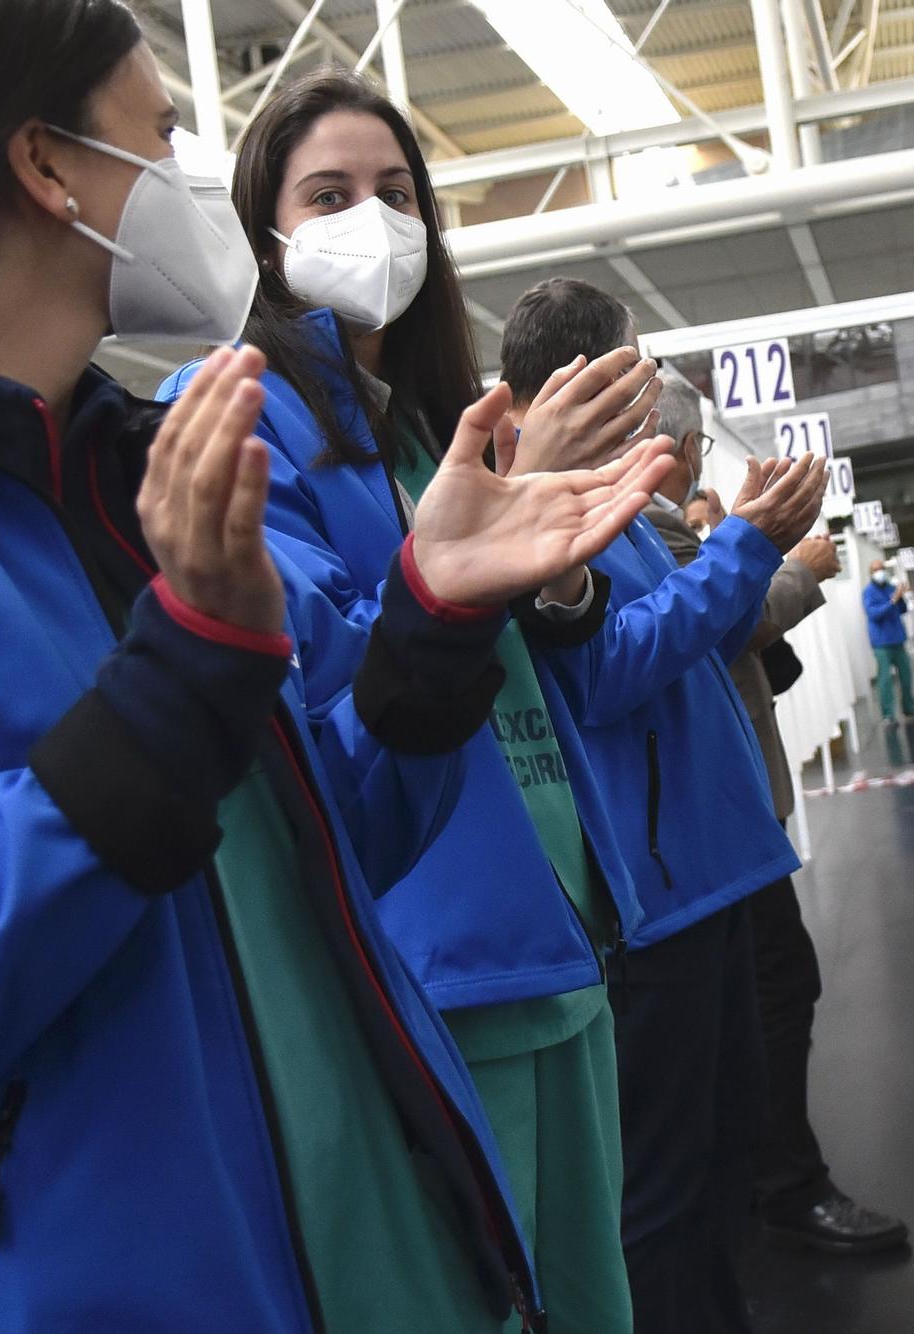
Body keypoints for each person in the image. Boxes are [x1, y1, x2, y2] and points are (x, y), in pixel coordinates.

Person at [0, 4, 676, 1327]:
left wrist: (432, 623)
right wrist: (180, 676)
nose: (184, 174)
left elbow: (349, 833)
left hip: (363, 1234)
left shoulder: (134, 470)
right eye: (158, 133)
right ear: (46, 168)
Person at [163, 70, 683, 1332]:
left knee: (593, 1289)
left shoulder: (436, 427)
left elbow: (543, 651)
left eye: (397, 193)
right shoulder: (241, 419)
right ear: (268, 234)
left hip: (558, 918)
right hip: (436, 948)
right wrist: (462, 565)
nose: (374, 222)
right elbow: (329, 682)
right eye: (329, 194)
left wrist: (550, 574)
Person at [495, 278, 828, 1334]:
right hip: (656, 892)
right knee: (668, 1189)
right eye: (634, 361)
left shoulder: (629, 509)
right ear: (591, 375)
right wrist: (746, 549)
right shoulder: (559, 512)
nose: (651, 388)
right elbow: (605, 670)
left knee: (723, 1152)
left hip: (708, 867)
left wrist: (748, 551)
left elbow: (688, 640)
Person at [643, 374, 911, 1255]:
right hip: (706, 821)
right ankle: (778, 1181)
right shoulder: (648, 526)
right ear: (685, 455)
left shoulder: (647, 526)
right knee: (769, 992)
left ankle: (753, 1177)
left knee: (755, 997)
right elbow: (721, 628)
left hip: (693, 820)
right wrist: (786, 559)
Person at [866, 558, 914, 724]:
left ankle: (909, 708)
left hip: (897, 639)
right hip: (881, 643)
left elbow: (902, 610)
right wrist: (892, 600)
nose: (880, 572)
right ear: (871, 574)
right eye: (877, 569)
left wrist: (902, 597)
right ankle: (888, 715)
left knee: (906, 676)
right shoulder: (868, 592)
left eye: (882, 568)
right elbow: (874, 614)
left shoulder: (892, 588)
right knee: (885, 680)